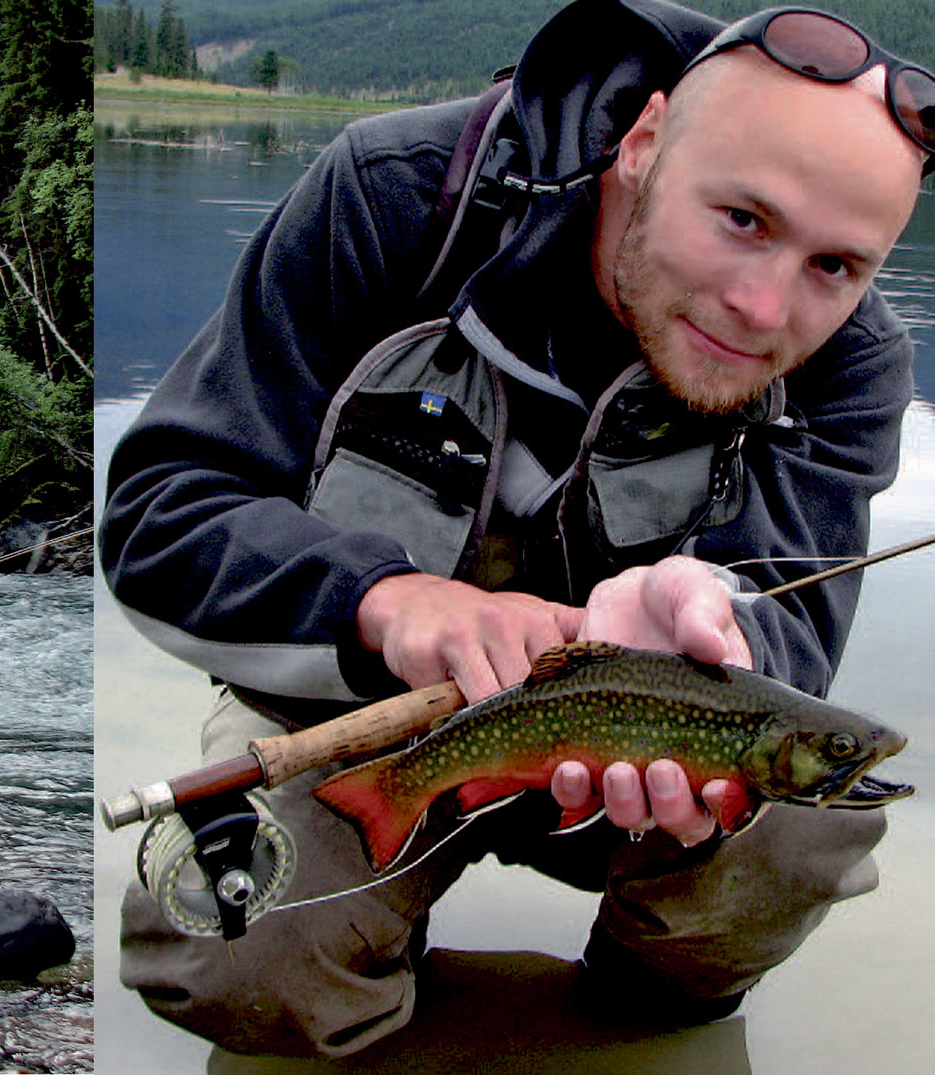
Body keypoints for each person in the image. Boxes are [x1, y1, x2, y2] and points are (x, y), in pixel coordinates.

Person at [101, 0, 930, 1058]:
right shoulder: (389, 198)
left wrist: (723, 627)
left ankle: (638, 1017)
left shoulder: (853, 361)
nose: (766, 310)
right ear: (642, 143)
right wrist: (384, 601)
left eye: (837, 268)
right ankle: (375, 966)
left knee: (808, 823)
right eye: (742, 220)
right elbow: (163, 508)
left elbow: (799, 642)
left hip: (643, 763)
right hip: (372, 716)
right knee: (233, 951)